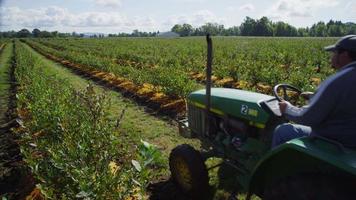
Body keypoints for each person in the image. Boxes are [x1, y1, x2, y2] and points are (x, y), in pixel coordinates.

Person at [272, 35, 356, 148]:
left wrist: (287, 108)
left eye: (334, 52)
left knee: (282, 131)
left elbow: (307, 117)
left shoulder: (337, 81)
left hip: (333, 141)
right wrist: (314, 97)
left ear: (344, 55)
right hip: (350, 141)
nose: (332, 56)